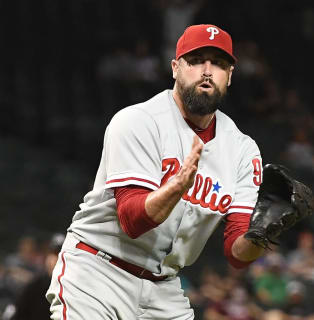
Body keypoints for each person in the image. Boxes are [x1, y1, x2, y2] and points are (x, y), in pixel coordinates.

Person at [46, 24, 271, 320]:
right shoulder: (138, 121)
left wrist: (264, 230)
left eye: (218, 63)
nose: (207, 70)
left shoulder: (243, 150)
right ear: (176, 68)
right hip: (98, 273)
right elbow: (132, 220)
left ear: (229, 75)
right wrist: (177, 187)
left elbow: (237, 254)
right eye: (196, 60)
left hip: (164, 286)